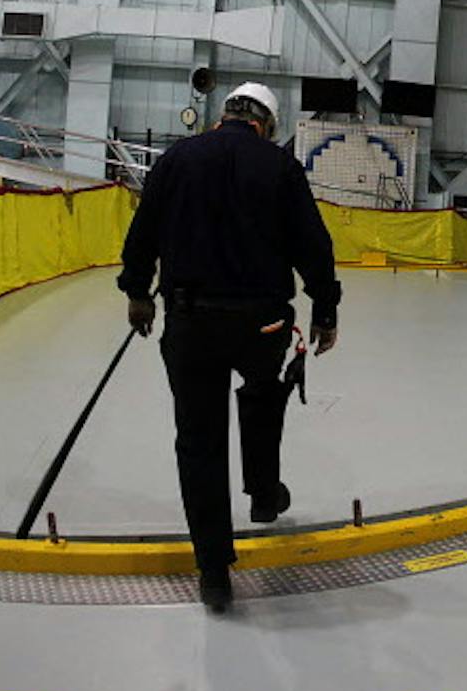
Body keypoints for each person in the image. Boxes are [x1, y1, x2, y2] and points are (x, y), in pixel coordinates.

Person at [118, 82, 341, 613]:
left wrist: (137, 294)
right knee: (264, 397)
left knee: (198, 439)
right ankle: (264, 492)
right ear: (267, 122)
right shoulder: (279, 166)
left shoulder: (177, 159)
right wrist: (325, 307)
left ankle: (214, 569)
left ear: (223, 116)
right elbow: (312, 242)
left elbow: (143, 231)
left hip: (191, 321)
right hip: (261, 322)